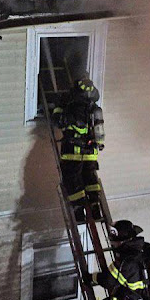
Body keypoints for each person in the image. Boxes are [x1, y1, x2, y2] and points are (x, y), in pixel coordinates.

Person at [52, 77, 105, 222]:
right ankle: (95, 207)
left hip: (72, 152)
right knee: (90, 179)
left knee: (72, 181)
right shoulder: (95, 109)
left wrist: (57, 106)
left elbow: (58, 122)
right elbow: (100, 135)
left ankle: (79, 211)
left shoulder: (72, 107)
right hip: (91, 153)